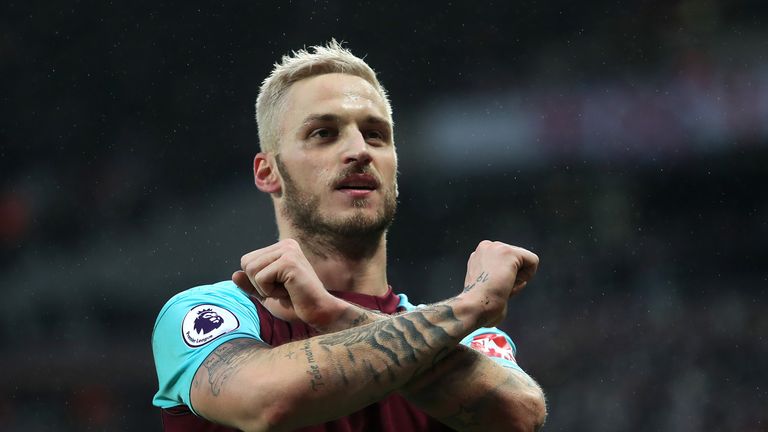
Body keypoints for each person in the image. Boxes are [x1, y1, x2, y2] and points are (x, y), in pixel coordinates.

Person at [151, 40, 547, 432]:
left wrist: (331, 313)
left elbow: (520, 417)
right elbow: (266, 404)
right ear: (267, 172)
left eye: (376, 135)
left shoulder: (470, 335)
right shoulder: (202, 313)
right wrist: (473, 302)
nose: (360, 150)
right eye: (324, 133)